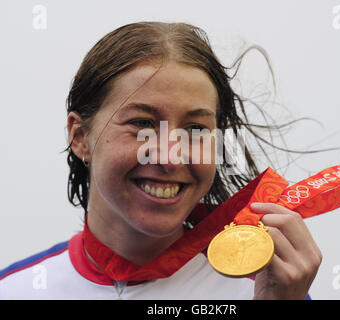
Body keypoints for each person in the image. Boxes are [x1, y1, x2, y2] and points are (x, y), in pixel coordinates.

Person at [0, 21, 322, 300]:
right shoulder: (15, 289)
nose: (170, 157)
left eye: (195, 129)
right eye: (142, 123)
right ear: (80, 136)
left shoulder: (265, 290)